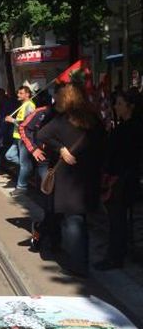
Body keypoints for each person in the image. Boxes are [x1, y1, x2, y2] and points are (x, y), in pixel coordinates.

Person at [38, 84, 104, 277]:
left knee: (73, 221)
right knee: (81, 219)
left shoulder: (62, 120)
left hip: (68, 178)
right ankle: (82, 259)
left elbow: (41, 134)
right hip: (88, 176)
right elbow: (102, 144)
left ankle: (78, 264)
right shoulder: (93, 119)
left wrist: (60, 148)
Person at [95, 92, 142, 270]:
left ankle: (115, 256)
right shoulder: (131, 127)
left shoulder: (125, 130)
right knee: (122, 219)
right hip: (129, 179)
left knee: (117, 220)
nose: (116, 106)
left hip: (119, 181)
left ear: (131, 106)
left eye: (120, 103)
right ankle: (122, 251)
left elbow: (113, 157)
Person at [19, 102, 59, 253]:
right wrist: (33, 149)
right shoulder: (41, 112)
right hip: (45, 161)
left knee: (59, 204)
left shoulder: (72, 112)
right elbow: (23, 127)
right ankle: (41, 234)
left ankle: (52, 239)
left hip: (64, 162)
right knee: (50, 201)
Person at [4, 86, 36, 196]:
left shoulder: (30, 106)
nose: (18, 95)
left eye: (21, 93)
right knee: (9, 156)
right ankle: (28, 168)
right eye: (18, 93)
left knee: (23, 163)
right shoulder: (24, 105)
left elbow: (27, 123)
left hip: (24, 138)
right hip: (17, 137)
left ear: (27, 94)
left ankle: (21, 186)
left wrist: (12, 120)